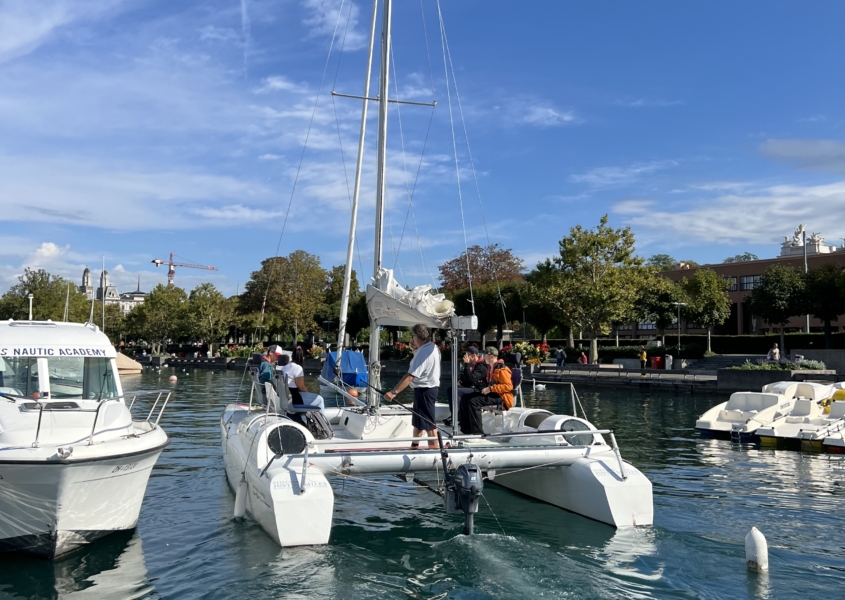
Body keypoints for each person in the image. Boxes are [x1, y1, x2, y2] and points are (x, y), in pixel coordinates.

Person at [382, 324, 440, 449]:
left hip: (425, 391)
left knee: (430, 425)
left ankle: (435, 451)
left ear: (416, 336)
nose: (412, 340)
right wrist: (415, 349)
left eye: (413, 336)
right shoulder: (432, 347)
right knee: (418, 423)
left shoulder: (423, 352)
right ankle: (414, 447)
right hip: (424, 390)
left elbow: (410, 376)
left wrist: (393, 392)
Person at [457, 347, 513, 435]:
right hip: (493, 394)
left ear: (491, 357)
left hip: (501, 397)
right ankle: (466, 429)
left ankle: (478, 433)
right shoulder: (491, 368)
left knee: (473, 402)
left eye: (485, 355)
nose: (483, 357)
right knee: (465, 398)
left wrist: (490, 388)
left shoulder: (502, 369)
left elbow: (508, 386)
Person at [445, 346, 488, 427]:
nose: (465, 357)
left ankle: (459, 416)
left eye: (467, 355)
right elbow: (467, 379)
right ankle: (454, 415)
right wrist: (461, 381)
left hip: (479, 390)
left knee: (456, 391)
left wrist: (467, 364)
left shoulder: (481, 366)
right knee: (450, 389)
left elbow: (471, 378)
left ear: (473, 355)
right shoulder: (474, 365)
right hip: (473, 387)